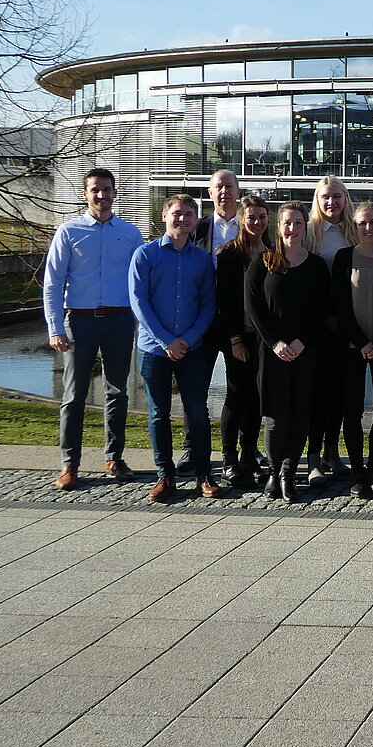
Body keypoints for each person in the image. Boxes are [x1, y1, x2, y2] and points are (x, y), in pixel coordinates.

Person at [42, 167, 145, 491]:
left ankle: (114, 457)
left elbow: (139, 284)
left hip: (119, 320)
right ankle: (69, 464)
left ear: (115, 193)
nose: (101, 195)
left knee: (118, 392)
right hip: (80, 321)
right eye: (95, 190)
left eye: (106, 189)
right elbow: (53, 283)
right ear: (85, 194)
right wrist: (55, 327)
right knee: (74, 395)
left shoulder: (130, 234)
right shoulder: (68, 232)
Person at [129, 194, 220, 503]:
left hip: (192, 349)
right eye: (177, 214)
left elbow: (208, 304)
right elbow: (139, 302)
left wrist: (189, 338)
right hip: (154, 349)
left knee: (197, 411)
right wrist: (166, 340)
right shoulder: (145, 255)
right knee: (158, 414)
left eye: (188, 215)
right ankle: (164, 476)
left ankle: (203, 474)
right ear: (164, 216)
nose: (182, 220)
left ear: (195, 220)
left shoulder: (202, 260)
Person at [245, 201, 331, 502]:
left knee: (299, 414)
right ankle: (272, 473)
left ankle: (288, 472)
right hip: (272, 353)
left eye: (298, 223)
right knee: (274, 416)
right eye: (287, 223)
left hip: (305, 352)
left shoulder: (317, 266)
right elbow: (253, 307)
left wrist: (300, 342)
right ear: (277, 227)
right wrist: (275, 342)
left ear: (305, 227)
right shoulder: (263, 261)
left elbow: (321, 309)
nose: (292, 229)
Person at [331, 201, 373, 500]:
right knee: (352, 411)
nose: (368, 228)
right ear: (353, 227)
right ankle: (358, 474)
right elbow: (340, 306)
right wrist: (363, 343)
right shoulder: (344, 258)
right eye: (361, 223)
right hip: (351, 346)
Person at [182, 168, 239, 474]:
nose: (224, 192)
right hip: (201, 320)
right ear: (209, 192)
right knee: (196, 388)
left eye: (229, 186)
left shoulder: (252, 227)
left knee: (240, 389)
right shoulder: (198, 228)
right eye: (218, 187)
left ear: (238, 192)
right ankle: (193, 448)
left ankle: (243, 449)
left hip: (238, 323)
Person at [214, 194, 271, 489]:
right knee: (237, 394)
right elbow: (224, 302)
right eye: (252, 217)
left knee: (257, 397)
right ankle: (229, 460)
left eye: (262, 217)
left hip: (265, 339)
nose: (257, 222)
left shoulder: (274, 253)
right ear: (241, 219)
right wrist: (235, 339)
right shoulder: (228, 255)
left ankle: (249, 456)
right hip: (238, 336)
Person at [306, 175, 358, 485]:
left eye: (337, 196)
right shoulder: (310, 233)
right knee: (318, 394)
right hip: (317, 324)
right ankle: (313, 457)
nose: (331, 202)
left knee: (341, 393)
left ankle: (331, 452)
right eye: (325, 196)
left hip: (348, 322)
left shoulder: (353, 231)